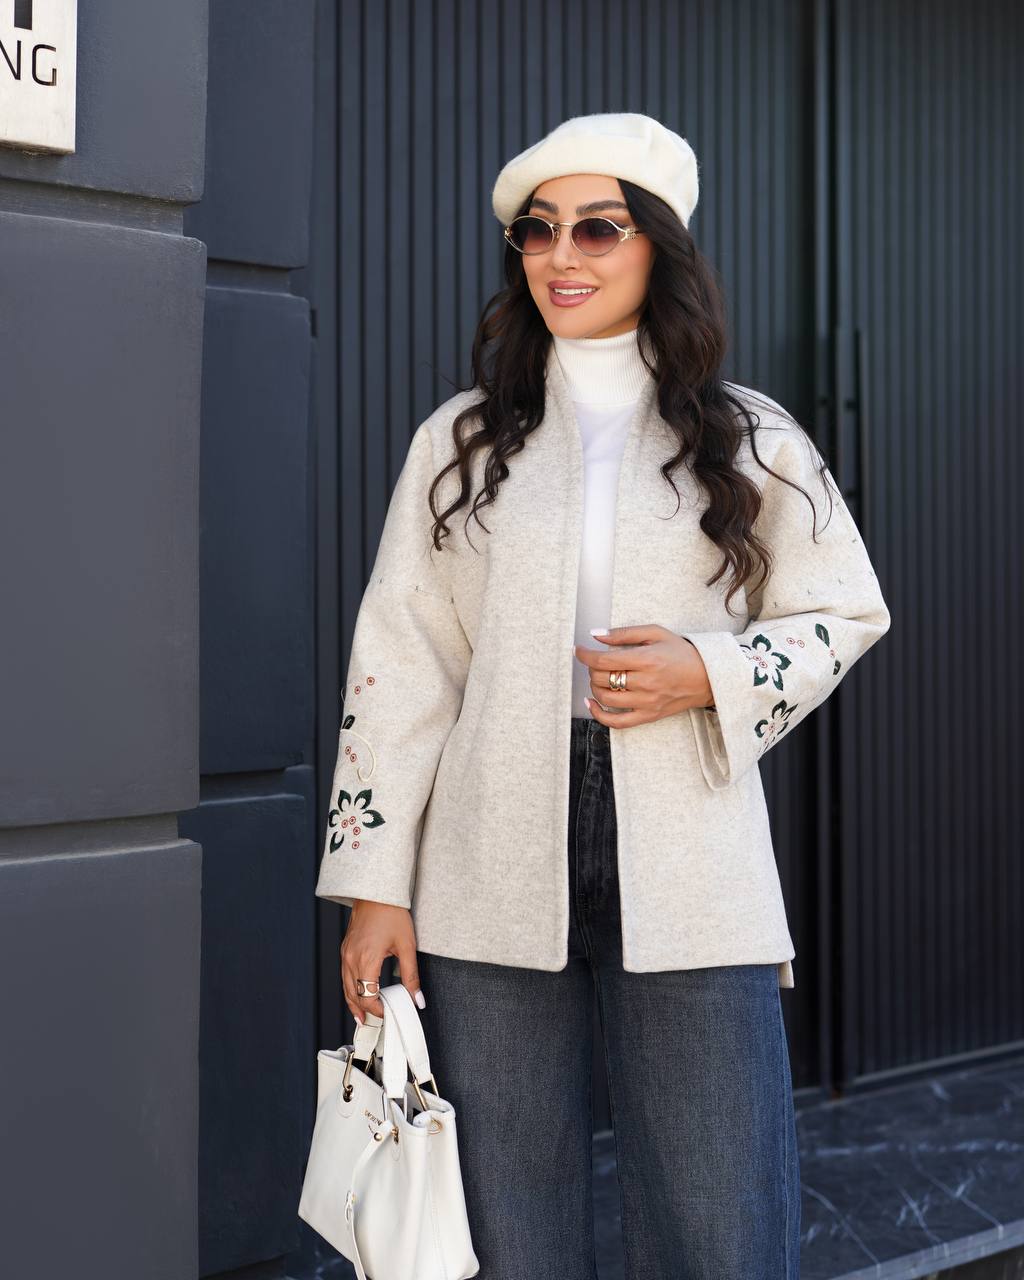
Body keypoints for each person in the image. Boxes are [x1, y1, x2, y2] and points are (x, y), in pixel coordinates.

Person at [315, 112, 891, 1279]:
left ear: (656, 247)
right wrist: (374, 883)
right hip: (485, 843)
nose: (560, 255)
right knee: (504, 1217)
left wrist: (707, 670)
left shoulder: (750, 437)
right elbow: (404, 660)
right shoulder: (460, 442)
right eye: (538, 231)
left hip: (690, 848)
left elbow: (845, 610)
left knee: (721, 1217)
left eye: (597, 228)